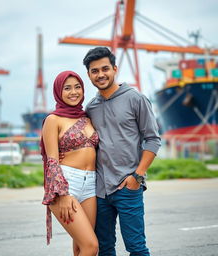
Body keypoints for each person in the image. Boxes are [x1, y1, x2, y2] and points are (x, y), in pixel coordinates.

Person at [83, 47, 161, 256]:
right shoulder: (90, 108)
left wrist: (137, 176)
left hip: (128, 186)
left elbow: (153, 139)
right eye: (94, 71)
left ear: (115, 69)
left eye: (105, 69)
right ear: (89, 75)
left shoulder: (136, 99)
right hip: (99, 190)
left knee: (136, 248)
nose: (101, 75)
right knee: (104, 248)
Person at [40, 70, 99, 256]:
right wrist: (63, 194)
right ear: (59, 91)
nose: (73, 92)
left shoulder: (87, 118)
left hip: (90, 184)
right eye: (67, 88)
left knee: (81, 247)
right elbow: (52, 161)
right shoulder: (53, 119)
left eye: (77, 87)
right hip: (66, 185)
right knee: (91, 247)